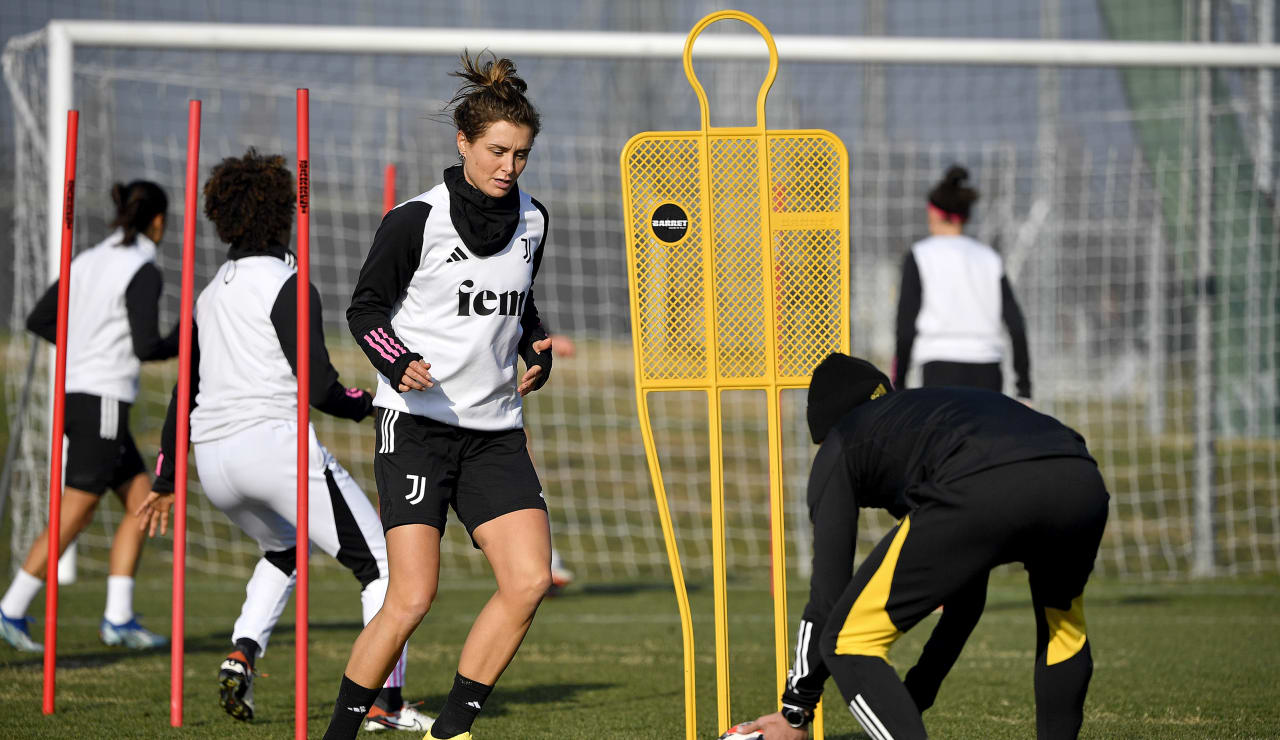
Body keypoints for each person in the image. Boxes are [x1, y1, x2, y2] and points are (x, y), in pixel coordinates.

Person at [136, 149, 430, 731]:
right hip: (274, 449)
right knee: (383, 567)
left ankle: (242, 652)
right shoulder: (290, 283)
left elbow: (181, 393)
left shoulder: (209, 293)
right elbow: (320, 387)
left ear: (222, 218)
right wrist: (373, 406)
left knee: (285, 549)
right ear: (283, 213)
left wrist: (167, 478)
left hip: (214, 462)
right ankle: (384, 704)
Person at [322, 51, 555, 740]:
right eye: (496, 151)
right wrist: (397, 362)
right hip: (418, 426)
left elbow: (519, 303)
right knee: (411, 598)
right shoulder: (415, 219)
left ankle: (451, 729)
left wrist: (533, 344)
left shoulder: (535, 219)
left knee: (529, 582)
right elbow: (365, 309)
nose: (508, 167)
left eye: (521, 154)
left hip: (496, 432)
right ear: (463, 142)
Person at [735, 353, 1108, 740]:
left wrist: (796, 711)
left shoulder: (843, 440)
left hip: (983, 483)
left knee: (849, 640)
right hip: (1079, 476)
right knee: (1063, 631)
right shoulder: (927, 418)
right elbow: (966, 601)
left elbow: (828, 598)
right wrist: (913, 697)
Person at [0, 181, 177, 653]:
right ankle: (12, 607)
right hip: (101, 398)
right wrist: (187, 339)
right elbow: (147, 346)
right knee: (76, 509)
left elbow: (40, 319)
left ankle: (118, 618)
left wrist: (81, 348)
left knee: (145, 500)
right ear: (157, 221)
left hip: (78, 393)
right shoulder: (142, 267)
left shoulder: (86, 260)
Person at [892, 165, 1031, 401]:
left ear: (933, 213)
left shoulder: (920, 255)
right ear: (965, 217)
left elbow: (906, 325)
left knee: (944, 438)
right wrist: (1024, 389)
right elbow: (1016, 325)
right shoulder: (990, 258)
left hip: (939, 367)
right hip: (988, 370)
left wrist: (899, 383)